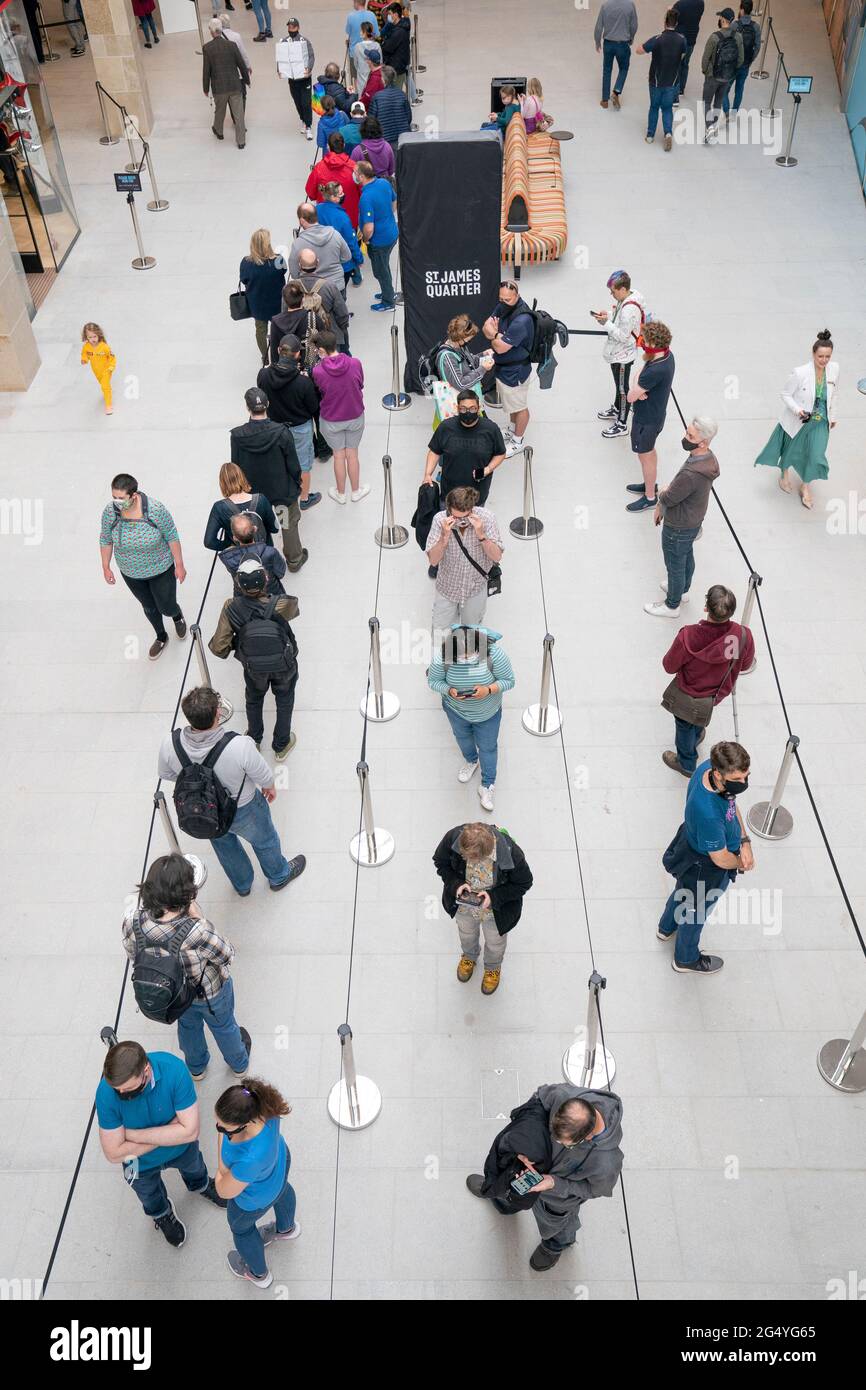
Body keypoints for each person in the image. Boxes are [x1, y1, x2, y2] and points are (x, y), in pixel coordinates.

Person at [159, 686, 306, 893]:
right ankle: (278, 876)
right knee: (265, 841)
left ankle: (243, 885)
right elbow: (263, 775)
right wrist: (269, 787)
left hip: (205, 810)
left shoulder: (169, 744)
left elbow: (167, 774)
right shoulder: (239, 745)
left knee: (225, 847)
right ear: (218, 713)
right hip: (245, 807)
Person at [465, 1084, 624, 1270]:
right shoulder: (562, 1094)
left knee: (557, 1225)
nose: (557, 1143)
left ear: (587, 1137)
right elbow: (539, 1101)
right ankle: (502, 1199)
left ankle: (554, 1246)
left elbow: (594, 1190)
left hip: (556, 1199)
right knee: (509, 1186)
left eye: (566, 1144)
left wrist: (553, 1184)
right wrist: (529, 1144)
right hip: (528, 1171)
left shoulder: (607, 1162)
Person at [122, 854, 251, 1080]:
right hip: (210, 993)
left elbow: (134, 955)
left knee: (188, 1028)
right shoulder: (196, 930)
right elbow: (227, 955)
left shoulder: (132, 920)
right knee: (224, 1027)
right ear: (188, 893)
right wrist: (199, 918)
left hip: (175, 996)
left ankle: (197, 1068)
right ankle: (239, 1064)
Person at [96, 1039, 226, 1247]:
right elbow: (113, 1153)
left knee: (195, 1167)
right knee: (146, 1193)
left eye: (127, 1088)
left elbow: (191, 1132)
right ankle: (161, 1213)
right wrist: (172, 1131)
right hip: (136, 1162)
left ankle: (200, 1185)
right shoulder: (105, 1092)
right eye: (117, 1090)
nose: (120, 1094)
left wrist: (133, 1136)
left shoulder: (174, 1070)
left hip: (180, 1149)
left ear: (146, 1071)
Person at [657, 740, 755, 973]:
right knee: (696, 911)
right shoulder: (708, 813)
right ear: (719, 775)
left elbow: (731, 805)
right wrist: (741, 862)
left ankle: (666, 927)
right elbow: (720, 858)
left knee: (683, 892)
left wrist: (744, 840)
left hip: (692, 850)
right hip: (705, 865)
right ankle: (685, 958)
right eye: (738, 780)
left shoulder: (708, 770)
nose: (744, 783)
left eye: (746, 776)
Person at [660, 584, 755, 776]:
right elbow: (744, 665)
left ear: (706, 607)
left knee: (683, 725)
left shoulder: (688, 635)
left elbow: (669, 666)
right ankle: (698, 733)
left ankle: (686, 763)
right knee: (699, 715)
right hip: (716, 693)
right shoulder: (742, 635)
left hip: (689, 693)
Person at [210, 560, 300, 759]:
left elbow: (219, 647)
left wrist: (239, 643)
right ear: (266, 579)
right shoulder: (281, 603)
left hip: (253, 667)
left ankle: (254, 740)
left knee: (254, 700)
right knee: (285, 700)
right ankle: (281, 745)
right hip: (284, 664)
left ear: (239, 584)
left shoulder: (231, 607)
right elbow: (295, 609)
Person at [215, 1078, 299, 1289]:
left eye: (225, 1129)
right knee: (282, 1191)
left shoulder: (249, 1158)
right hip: (280, 1164)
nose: (219, 1130)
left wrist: (222, 1167)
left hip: (256, 1198)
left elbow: (223, 1190)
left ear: (245, 1123)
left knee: (241, 1230)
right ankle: (286, 1229)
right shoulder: (266, 1105)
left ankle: (259, 1274)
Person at [433, 820, 532, 994]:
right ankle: (469, 956)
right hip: (464, 906)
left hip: (496, 911)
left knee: (495, 942)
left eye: (471, 859)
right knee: (466, 933)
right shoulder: (454, 838)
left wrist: (494, 897)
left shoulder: (512, 853)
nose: (466, 860)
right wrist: (456, 884)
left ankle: (492, 967)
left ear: (486, 853)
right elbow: (441, 862)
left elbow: (524, 883)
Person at [428, 624, 514, 815]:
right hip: (456, 711)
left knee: (488, 747)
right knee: (462, 737)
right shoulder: (442, 660)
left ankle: (487, 784)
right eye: (462, 656)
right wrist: (448, 690)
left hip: (488, 713)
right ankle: (471, 760)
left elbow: (509, 680)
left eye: (471, 654)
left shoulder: (494, 655)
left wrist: (488, 690)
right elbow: (433, 682)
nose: (466, 658)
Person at [100, 473, 187, 661]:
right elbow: (106, 538)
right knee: (149, 607)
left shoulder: (155, 510)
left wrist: (179, 565)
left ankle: (176, 615)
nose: (117, 502)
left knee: (166, 605)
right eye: (114, 497)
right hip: (131, 572)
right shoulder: (110, 512)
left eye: (121, 498)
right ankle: (161, 636)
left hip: (160, 569)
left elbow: (172, 535)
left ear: (134, 495)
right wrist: (106, 566)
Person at [754, 329, 839, 510]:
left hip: (821, 422)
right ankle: (784, 473)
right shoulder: (800, 373)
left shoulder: (834, 369)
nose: (824, 361)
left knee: (816, 455)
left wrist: (833, 416)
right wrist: (798, 410)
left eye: (827, 357)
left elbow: (834, 394)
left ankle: (805, 486)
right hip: (801, 421)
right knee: (792, 450)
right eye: (820, 356)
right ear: (813, 354)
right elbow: (785, 394)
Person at [645, 414, 719, 616]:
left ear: (703, 443)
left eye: (691, 436)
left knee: (675, 563)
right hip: (693, 521)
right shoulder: (708, 459)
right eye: (687, 432)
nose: (686, 437)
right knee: (686, 556)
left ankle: (672, 604)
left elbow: (670, 497)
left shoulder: (691, 473)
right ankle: (683, 590)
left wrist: (662, 494)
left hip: (678, 525)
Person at [230, 387, 306, 571]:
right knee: (287, 525)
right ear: (268, 405)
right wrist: (297, 483)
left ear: (248, 408)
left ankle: (263, 561)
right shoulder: (281, 432)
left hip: (254, 496)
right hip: (281, 492)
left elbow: (236, 464)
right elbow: (293, 465)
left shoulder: (238, 436)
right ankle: (294, 560)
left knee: (257, 526)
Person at [257, 334, 323, 510]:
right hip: (300, 427)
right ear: (297, 355)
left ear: (278, 351)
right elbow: (313, 407)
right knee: (304, 464)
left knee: (281, 462)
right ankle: (304, 498)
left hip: (275, 427)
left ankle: (285, 494)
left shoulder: (263, 375)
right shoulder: (303, 382)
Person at [425, 487, 503, 630]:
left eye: (465, 516)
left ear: (472, 509)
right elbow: (433, 561)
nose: (461, 521)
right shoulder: (440, 520)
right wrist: (444, 537)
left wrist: (481, 535)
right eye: (455, 517)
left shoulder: (487, 518)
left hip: (475, 587)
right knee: (440, 632)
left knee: (472, 633)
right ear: (448, 510)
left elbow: (497, 556)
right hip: (447, 587)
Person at [311, 329, 369, 502]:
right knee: (352, 454)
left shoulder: (318, 371)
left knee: (338, 455)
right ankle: (356, 491)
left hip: (331, 420)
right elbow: (360, 384)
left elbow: (319, 390)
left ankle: (341, 493)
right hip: (355, 416)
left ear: (321, 350)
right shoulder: (355, 363)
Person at [624, 320, 675, 512]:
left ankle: (650, 497)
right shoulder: (667, 357)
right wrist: (638, 387)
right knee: (649, 453)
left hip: (646, 421)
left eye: (644, 339)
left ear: (653, 344)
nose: (641, 342)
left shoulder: (654, 369)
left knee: (645, 456)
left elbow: (630, 396)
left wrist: (637, 388)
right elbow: (639, 372)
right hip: (656, 415)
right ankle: (649, 484)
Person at [425, 391, 506, 507]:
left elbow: (500, 453)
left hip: (477, 497)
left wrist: (488, 469)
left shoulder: (491, 429)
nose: (468, 412)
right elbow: (434, 451)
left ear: (478, 408)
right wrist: (428, 474)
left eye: (472, 409)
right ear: (457, 408)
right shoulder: (446, 427)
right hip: (449, 495)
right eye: (463, 409)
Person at [591, 271, 645, 438]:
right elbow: (620, 318)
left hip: (623, 355)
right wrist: (608, 316)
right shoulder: (628, 298)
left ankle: (622, 424)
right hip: (617, 353)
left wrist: (605, 323)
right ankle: (616, 408)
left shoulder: (629, 310)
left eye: (613, 291)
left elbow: (623, 335)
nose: (611, 294)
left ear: (623, 289)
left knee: (623, 388)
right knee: (618, 384)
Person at [482, 280, 533, 456]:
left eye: (508, 300)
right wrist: (497, 336)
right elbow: (485, 326)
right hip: (505, 369)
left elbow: (499, 347)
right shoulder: (503, 305)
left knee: (520, 407)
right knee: (512, 405)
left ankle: (518, 441)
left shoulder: (522, 320)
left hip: (516, 371)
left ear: (517, 296)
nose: (503, 303)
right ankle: (512, 431)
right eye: (501, 299)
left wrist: (495, 334)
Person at [427, 315, 495, 428]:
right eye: (468, 339)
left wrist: (482, 355)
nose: (470, 341)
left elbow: (469, 361)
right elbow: (461, 384)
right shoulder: (448, 357)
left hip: (467, 400)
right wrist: (482, 369)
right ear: (458, 338)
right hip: (458, 404)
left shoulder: (459, 346)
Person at [637, 9, 687, 150]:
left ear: (665, 22)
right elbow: (683, 55)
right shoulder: (682, 40)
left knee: (654, 107)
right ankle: (668, 133)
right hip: (672, 82)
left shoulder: (657, 39)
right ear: (676, 23)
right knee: (667, 109)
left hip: (656, 81)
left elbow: (639, 50)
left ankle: (650, 135)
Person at [204, 462, 281, 551]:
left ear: (222, 484)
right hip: (264, 553)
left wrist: (230, 546)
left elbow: (209, 541)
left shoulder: (219, 507)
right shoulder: (261, 499)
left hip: (239, 559)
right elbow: (275, 529)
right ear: (242, 477)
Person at [355, 160, 399, 312]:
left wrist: (365, 240)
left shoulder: (366, 197)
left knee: (381, 271)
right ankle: (387, 292)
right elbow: (394, 201)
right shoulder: (383, 183)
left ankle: (388, 302)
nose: (353, 175)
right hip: (392, 233)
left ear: (361, 177)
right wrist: (386, 217)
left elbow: (369, 227)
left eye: (355, 173)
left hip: (379, 241)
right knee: (384, 265)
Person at [240, 229, 287, 367]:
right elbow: (284, 271)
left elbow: (244, 280)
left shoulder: (246, 263)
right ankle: (278, 354)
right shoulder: (278, 260)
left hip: (257, 303)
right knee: (278, 329)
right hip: (277, 302)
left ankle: (265, 357)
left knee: (260, 330)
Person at [203, 18, 248, 148]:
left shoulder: (207, 48)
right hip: (235, 85)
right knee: (238, 114)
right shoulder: (232, 45)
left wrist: (205, 88)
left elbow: (206, 71)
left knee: (220, 111)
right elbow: (241, 65)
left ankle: (219, 131)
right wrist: (246, 80)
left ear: (211, 32)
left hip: (219, 88)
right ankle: (241, 141)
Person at [294, 250, 351, 351]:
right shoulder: (329, 286)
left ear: (299, 265)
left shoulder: (291, 287)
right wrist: (343, 328)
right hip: (329, 337)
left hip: (302, 339)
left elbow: (286, 313)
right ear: (318, 263)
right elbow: (342, 314)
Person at [700, 8, 743, 143]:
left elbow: (705, 59)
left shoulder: (714, 37)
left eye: (720, 17)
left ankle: (709, 128)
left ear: (723, 20)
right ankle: (713, 126)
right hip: (727, 76)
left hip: (713, 76)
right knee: (718, 101)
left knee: (707, 102)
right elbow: (740, 59)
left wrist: (706, 71)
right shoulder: (738, 36)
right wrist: (731, 71)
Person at [288, 203, 351, 293]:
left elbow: (294, 273)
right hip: (337, 286)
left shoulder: (298, 244)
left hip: (313, 290)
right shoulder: (335, 234)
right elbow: (347, 256)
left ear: (301, 221)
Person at [219, 513, 287, 596]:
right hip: (271, 592)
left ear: (235, 538)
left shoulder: (229, 559)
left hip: (244, 597)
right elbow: (281, 573)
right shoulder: (270, 552)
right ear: (255, 529)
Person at [268, 279, 330, 367]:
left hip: (286, 366)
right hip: (309, 366)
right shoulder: (312, 317)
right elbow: (325, 343)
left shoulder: (276, 321)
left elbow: (274, 350)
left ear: (285, 300)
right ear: (302, 298)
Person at [306, 131, 362, 227]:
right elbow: (362, 192)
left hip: (325, 222)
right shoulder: (354, 167)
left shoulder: (319, 168)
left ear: (328, 146)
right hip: (350, 220)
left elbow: (310, 193)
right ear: (343, 145)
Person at [317, 182, 364, 289]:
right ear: (333, 197)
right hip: (341, 264)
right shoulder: (343, 218)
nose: (344, 194)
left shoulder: (317, 209)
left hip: (322, 260)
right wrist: (359, 259)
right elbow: (351, 242)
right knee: (340, 292)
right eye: (341, 193)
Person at [594, 0, 639, 109]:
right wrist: (631, 38)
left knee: (607, 70)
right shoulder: (630, 4)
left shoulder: (605, 5)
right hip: (623, 44)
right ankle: (616, 91)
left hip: (608, 44)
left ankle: (604, 101)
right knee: (624, 68)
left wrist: (597, 41)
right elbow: (634, 25)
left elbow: (599, 26)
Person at [276, 17, 315, 140]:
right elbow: (280, 58)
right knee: (297, 102)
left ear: (298, 28)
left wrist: (309, 69)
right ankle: (303, 119)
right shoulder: (284, 42)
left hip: (304, 78)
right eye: (289, 27)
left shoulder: (305, 41)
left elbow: (311, 56)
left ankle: (308, 126)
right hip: (292, 79)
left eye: (293, 27)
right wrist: (280, 70)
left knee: (306, 103)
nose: (290, 29)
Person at [722, 0, 760, 114]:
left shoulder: (735, 25)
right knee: (739, 90)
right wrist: (750, 59)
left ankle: (726, 111)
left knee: (724, 89)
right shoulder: (756, 27)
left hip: (733, 64)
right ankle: (734, 113)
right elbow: (757, 46)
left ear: (742, 10)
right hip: (746, 64)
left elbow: (728, 43)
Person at [368, 64, 412, 150]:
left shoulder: (377, 97)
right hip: (403, 139)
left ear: (384, 80)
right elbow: (409, 117)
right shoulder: (402, 95)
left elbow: (371, 120)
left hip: (385, 140)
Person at [81, 321, 116, 415]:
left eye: (94, 336)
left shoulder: (104, 347)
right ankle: (108, 390)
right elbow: (84, 354)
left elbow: (112, 357)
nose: (93, 339)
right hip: (96, 371)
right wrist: (84, 360)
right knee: (103, 384)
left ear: (99, 335)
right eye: (90, 337)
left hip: (107, 370)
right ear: (86, 337)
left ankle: (109, 406)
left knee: (105, 386)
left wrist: (111, 367)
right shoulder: (86, 347)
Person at [672, 0, 705, 99]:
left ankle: (675, 92)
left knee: (676, 65)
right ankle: (681, 89)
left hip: (679, 39)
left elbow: (672, 21)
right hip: (691, 39)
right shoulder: (701, 3)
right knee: (685, 64)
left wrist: (670, 10)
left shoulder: (679, 4)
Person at [349, 114, 397, 180]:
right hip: (385, 185)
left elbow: (353, 174)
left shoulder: (357, 151)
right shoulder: (387, 146)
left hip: (367, 186)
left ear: (362, 131)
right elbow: (391, 170)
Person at [346, 0, 380, 85]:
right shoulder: (372, 15)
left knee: (356, 79)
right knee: (371, 78)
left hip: (354, 53)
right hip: (370, 53)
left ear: (356, 2)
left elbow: (349, 33)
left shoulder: (350, 16)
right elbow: (376, 34)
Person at [380, 2, 411, 91]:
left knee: (395, 92)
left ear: (396, 14)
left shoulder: (399, 31)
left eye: (390, 14)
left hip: (397, 68)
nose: (388, 16)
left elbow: (387, 47)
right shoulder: (400, 25)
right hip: (399, 65)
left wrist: (382, 45)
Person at [351, 25, 381, 91]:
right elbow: (380, 62)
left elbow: (355, 64)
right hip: (375, 79)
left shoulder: (357, 46)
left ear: (365, 32)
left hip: (361, 79)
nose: (360, 32)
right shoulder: (377, 45)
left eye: (361, 31)